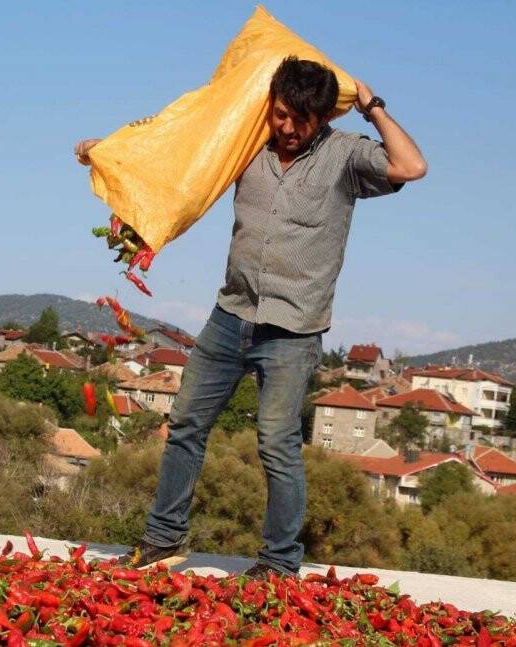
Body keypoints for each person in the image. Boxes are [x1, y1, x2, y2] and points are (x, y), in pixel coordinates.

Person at [75, 57, 426, 578]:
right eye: (281, 114)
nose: (287, 128)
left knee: (276, 444)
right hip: (230, 314)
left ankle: (280, 565)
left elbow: (411, 167)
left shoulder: (346, 157)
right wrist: (110, 153)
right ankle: (162, 542)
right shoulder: (246, 144)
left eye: (301, 120)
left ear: (326, 117)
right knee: (187, 425)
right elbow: (181, 150)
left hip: (293, 330)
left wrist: (372, 106)